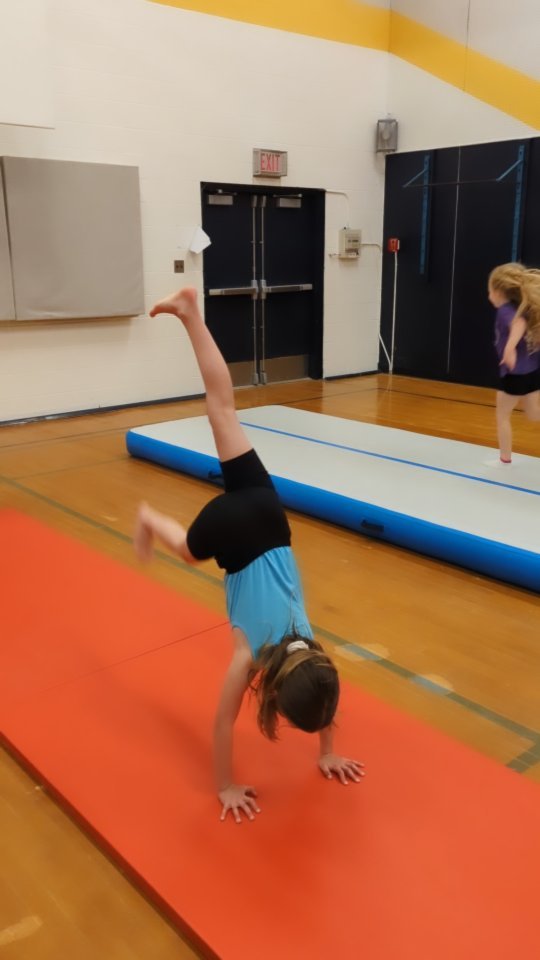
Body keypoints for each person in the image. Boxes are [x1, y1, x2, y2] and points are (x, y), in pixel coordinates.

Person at [134, 287, 364, 823]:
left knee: (223, 408)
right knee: (189, 554)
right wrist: (226, 787)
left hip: (268, 512)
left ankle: (192, 312)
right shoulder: (248, 659)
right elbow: (220, 725)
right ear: (277, 693)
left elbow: (325, 692)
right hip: (236, 534)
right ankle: (149, 519)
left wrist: (328, 748)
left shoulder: (314, 651)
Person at [487, 262, 540, 464]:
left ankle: (505, 459)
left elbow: (519, 324)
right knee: (534, 413)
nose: (489, 296)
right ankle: (505, 457)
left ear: (500, 292)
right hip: (533, 372)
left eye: (490, 291)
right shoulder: (526, 307)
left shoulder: (507, 310)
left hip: (514, 373)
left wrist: (509, 348)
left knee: (502, 416)